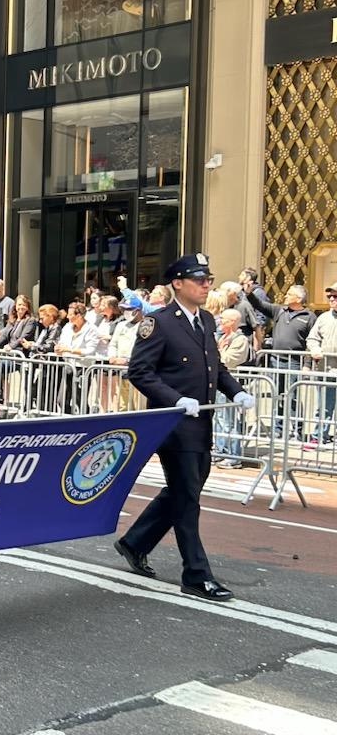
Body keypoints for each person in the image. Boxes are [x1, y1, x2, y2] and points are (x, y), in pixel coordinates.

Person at [115, 253, 255, 601]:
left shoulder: (207, 320)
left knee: (183, 490)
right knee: (188, 498)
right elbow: (140, 371)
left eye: (208, 279)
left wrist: (237, 392)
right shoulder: (159, 322)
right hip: (174, 425)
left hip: (201, 423)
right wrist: (174, 399)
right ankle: (195, 573)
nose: (206, 284)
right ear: (178, 283)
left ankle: (135, 542)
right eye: (199, 279)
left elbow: (216, 369)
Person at [243, 281, 315, 440]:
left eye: (289, 294)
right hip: (276, 360)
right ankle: (278, 428)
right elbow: (260, 305)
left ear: (298, 298)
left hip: (294, 362)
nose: (285, 296)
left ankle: (298, 429)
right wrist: (248, 293)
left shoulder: (309, 317)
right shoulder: (279, 310)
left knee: (292, 396)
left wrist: (307, 365)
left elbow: (311, 342)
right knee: (279, 395)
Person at [214, 308, 252, 467]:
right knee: (218, 419)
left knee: (229, 421)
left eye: (223, 319)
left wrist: (214, 355)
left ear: (232, 322)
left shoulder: (240, 340)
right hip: (216, 383)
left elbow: (228, 360)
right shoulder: (221, 337)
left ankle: (234, 456)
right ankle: (220, 450)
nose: (220, 321)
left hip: (229, 384)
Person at [305, 281, 337, 445]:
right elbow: (312, 338)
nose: (332, 299)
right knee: (323, 407)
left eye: (335, 296)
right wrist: (314, 348)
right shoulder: (324, 318)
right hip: (326, 370)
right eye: (330, 296)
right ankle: (319, 436)